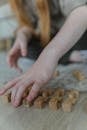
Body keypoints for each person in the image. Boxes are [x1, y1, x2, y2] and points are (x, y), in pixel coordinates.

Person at [0, 0, 87, 107]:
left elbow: (83, 12)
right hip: (54, 37)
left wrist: (49, 55)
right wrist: (22, 34)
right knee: (20, 43)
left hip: (77, 33)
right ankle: (70, 55)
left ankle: (68, 55)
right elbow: (30, 25)